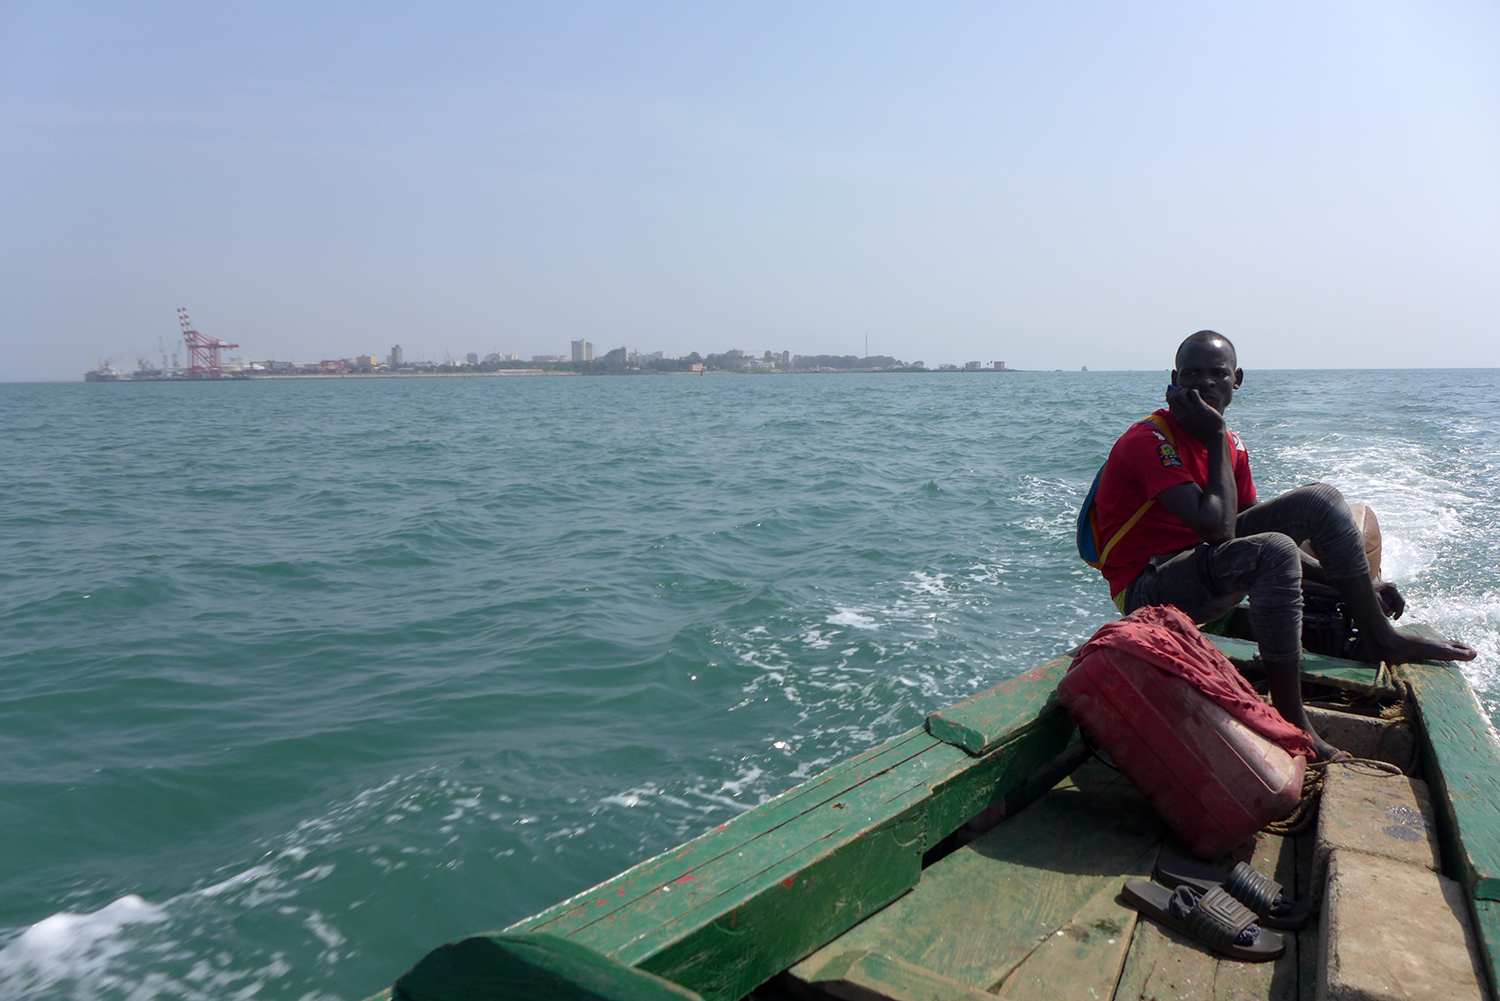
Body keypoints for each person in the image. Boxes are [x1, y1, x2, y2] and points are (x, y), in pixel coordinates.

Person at [1092, 330, 1475, 760]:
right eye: (1191, 374)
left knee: (1319, 500)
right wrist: (1215, 433)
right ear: (1174, 380)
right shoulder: (1151, 441)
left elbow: (1246, 528)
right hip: (1148, 589)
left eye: (1217, 373)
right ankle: (1295, 724)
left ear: (1237, 379)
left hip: (1204, 568)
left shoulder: (1232, 446)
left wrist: (1349, 587)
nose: (1204, 384)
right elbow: (1219, 530)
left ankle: (1380, 635)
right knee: (1270, 550)